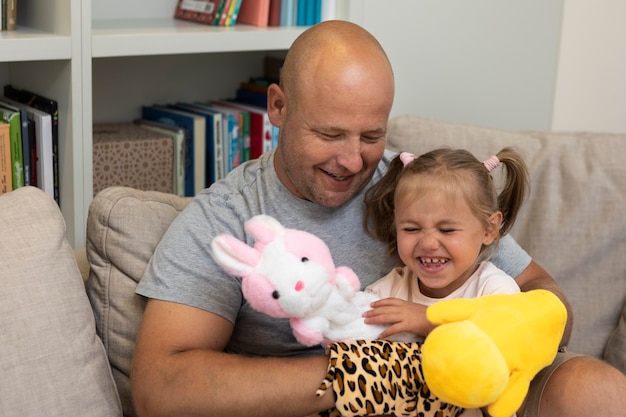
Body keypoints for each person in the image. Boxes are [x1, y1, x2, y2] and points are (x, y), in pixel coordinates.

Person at [131, 20, 626, 417]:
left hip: (481, 386)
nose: (352, 161)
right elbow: (161, 388)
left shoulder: (415, 189)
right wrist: (382, 373)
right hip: (335, 402)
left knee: (597, 390)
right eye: (329, 134)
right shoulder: (227, 216)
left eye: (371, 136)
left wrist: (485, 344)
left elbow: (546, 298)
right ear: (278, 107)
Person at [362, 148, 526, 343]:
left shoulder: (495, 290)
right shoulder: (386, 292)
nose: (428, 243)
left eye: (447, 230)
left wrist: (429, 321)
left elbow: (503, 345)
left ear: (489, 230)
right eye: (411, 229)